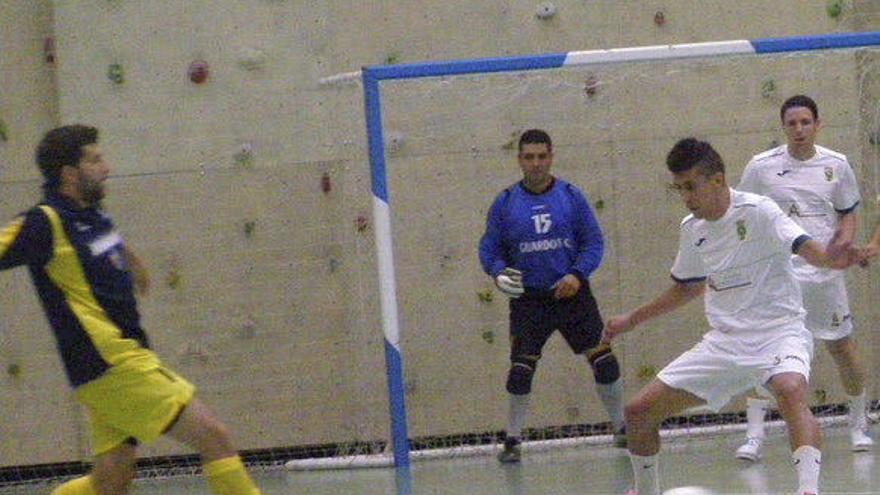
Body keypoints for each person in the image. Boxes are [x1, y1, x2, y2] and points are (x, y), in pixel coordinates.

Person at [0, 125, 261, 495]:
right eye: (94, 160)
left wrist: (132, 260)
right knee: (213, 436)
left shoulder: (92, 214)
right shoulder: (44, 222)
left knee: (112, 479)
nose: (105, 167)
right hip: (112, 363)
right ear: (69, 174)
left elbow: (104, 242)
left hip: (113, 363)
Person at [602, 138, 858, 495]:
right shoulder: (693, 229)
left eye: (691, 186)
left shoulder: (760, 211)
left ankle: (808, 490)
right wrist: (633, 319)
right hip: (724, 342)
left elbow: (806, 248)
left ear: (718, 180)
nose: (687, 197)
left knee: (789, 389)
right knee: (638, 412)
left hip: (778, 333)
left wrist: (832, 258)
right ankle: (646, 490)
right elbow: (686, 287)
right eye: (680, 189)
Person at [734, 95, 872, 459]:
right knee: (764, 352)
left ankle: (858, 424)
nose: (799, 129)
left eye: (805, 122)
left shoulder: (836, 165)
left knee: (842, 348)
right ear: (784, 127)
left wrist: (844, 242)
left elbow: (847, 212)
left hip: (824, 278)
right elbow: (743, 215)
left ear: (817, 124)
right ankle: (754, 436)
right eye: (792, 123)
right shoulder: (761, 167)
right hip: (777, 278)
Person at [479, 129, 625, 463]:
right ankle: (513, 441)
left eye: (541, 156)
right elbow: (489, 249)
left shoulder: (572, 197)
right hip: (530, 301)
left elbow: (593, 241)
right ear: (519, 160)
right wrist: (499, 272)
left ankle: (621, 428)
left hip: (573, 296)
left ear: (551, 157)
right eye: (528, 157)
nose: (535, 163)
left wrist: (577, 274)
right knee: (520, 371)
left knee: (604, 362)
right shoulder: (505, 203)